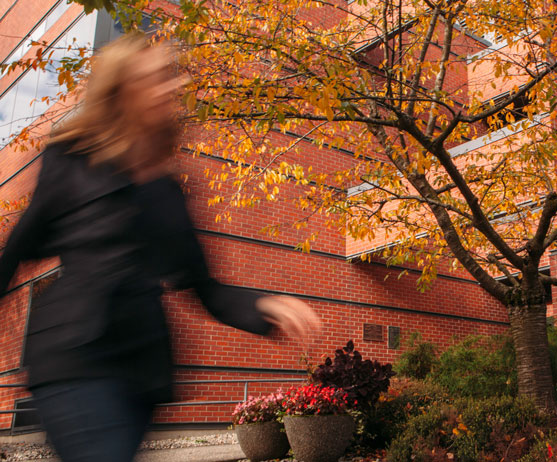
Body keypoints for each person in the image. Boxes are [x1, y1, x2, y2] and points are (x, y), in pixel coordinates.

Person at [0, 34, 320, 462]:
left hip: (141, 370)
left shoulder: (168, 190)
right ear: (121, 91)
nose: (171, 88)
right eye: (154, 79)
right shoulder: (71, 159)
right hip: (74, 357)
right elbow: (21, 246)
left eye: (170, 78)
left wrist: (268, 305)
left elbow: (205, 289)